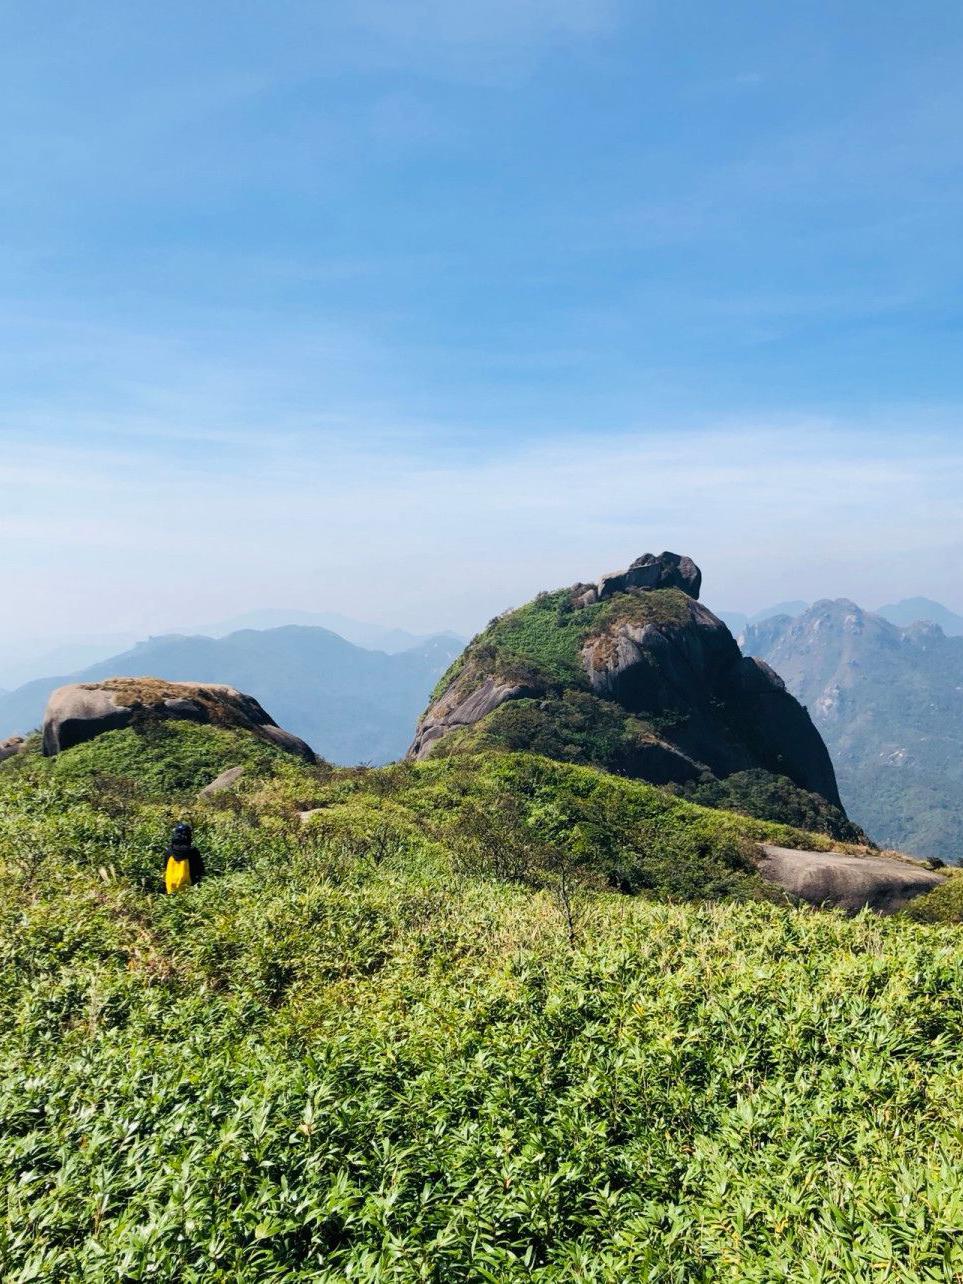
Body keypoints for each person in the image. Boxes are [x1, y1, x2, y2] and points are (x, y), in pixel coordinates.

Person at [164, 822, 205, 894]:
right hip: (187, 888)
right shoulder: (193, 851)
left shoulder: (169, 851)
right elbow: (200, 870)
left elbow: (165, 868)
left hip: (170, 887)